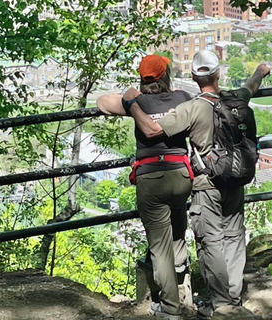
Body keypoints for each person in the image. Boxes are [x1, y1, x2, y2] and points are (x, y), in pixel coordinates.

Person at [122, 50, 270, 319]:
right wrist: (260, 71)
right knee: (235, 237)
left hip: (207, 182)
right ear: (218, 74)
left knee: (210, 241)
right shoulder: (235, 98)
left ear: (193, 76)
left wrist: (132, 103)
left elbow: (153, 130)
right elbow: (250, 86)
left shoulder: (192, 107)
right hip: (236, 178)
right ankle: (233, 298)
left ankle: (221, 303)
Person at [96, 55, 193, 320]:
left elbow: (102, 103)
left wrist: (130, 95)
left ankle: (170, 308)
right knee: (177, 230)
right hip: (181, 175)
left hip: (152, 179)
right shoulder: (183, 98)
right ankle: (185, 284)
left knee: (159, 248)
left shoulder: (138, 102)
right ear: (166, 76)